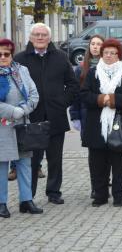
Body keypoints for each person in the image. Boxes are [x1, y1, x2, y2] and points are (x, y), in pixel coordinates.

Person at [14, 23, 79, 204]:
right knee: (31, 160)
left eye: (43, 35)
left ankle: (53, 192)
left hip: (55, 116)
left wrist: (62, 102)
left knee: (55, 158)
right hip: (31, 117)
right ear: (30, 37)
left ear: (49, 38)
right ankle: (29, 195)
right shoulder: (20, 59)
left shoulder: (60, 57)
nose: (40, 38)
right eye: (37, 34)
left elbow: (73, 85)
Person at [81, 39, 122, 207]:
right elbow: (84, 96)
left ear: (118, 56)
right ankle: (100, 195)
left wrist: (112, 99)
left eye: (113, 53)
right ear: (101, 54)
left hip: (118, 125)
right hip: (96, 125)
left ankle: (118, 195)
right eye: (106, 52)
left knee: (118, 163)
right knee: (97, 163)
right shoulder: (93, 73)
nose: (109, 56)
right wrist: (101, 99)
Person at [0, 38, 43, 218]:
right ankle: (1, 203)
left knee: (25, 163)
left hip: (22, 124)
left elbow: (34, 94)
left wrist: (23, 110)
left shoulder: (22, 70)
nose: (2, 57)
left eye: (6, 54)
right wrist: (12, 111)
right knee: (2, 165)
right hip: (2, 126)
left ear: (12, 54)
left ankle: (26, 200)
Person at [69, 34, 104, 198]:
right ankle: (95, 185)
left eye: (99, 44)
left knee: (108, 150)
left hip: (106, 113)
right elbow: (75, 94)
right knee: (93, 153)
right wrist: (75, 115)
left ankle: (105, 182)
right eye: (93, 44)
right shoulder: (80, 68)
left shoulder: (111, 66)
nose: (95, 47)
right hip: (87, 115)